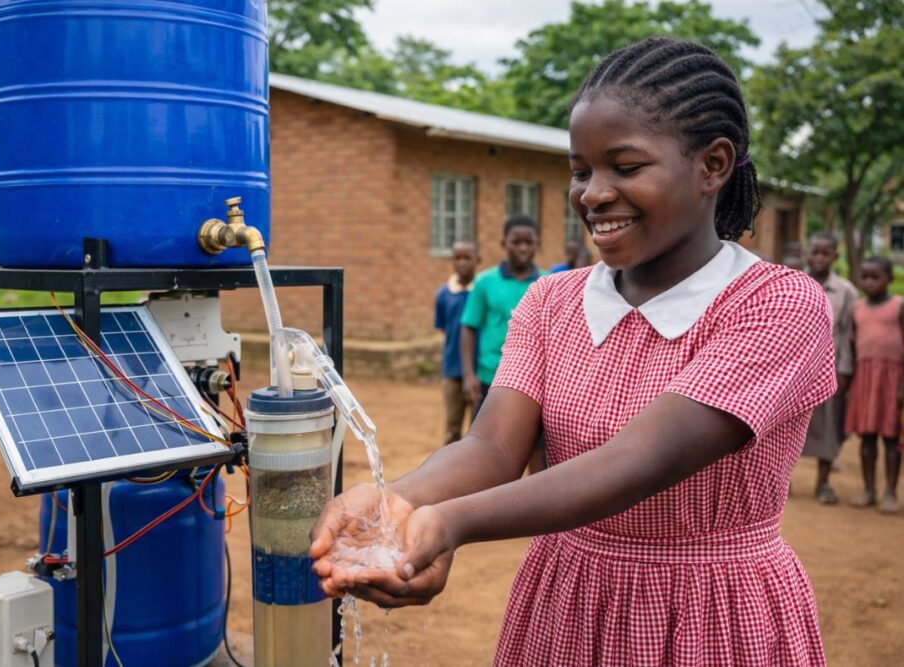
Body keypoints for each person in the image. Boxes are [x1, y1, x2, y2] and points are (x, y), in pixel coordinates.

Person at [311, 37, 835, 665]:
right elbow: (493, 446)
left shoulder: (776, 305)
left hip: (709, 611)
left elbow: (636, 460)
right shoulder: (552, 302)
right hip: (568, 601)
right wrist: (401, 500)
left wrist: (450, 523)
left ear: (713, 165)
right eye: (581, 170)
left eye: (626, 166)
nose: (591, 193)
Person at [459, 215, 544, 416]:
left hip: (535, 380)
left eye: (528, 242)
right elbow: (468, 326)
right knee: (483, 440)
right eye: (516, 242)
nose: (522, 248)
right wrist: (469, 374)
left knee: (531, 443)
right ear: (504, 244)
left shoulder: (550, 283)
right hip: (490, 377)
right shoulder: (484, 282)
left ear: (537, 245)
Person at [845, 256, 903, 513]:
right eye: (864, 277)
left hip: (893, 380)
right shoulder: (857, 308)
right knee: (866, 438)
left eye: (875, 277)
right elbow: (851, 345)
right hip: (866, 380)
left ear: (889, 279)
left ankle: (890, 491)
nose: (868, 282)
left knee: (891, 438)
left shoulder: (898, 307)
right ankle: (868, 489)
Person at [801, 232, 856, 504]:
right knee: (783, 429)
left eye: (826, 254)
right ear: (807, 254)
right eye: (815, 252)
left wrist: (844, 371)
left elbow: (847, 333)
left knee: (829, 428)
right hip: (793, 371)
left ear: (835, 257)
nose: (820, 258)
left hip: (828, 370)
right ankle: (781, 484)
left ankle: (823, 483)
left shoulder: (845, 291)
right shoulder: (793, 283)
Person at [434, 240, 479, 445]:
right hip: (452, 370)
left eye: (467, 257)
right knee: (452, 428)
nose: (462, 262)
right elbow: (444, 328)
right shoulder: (443, 294)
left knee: (477, 427)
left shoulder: (481, 291)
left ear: (477, 260)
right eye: (457, 257)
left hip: (479, 371)